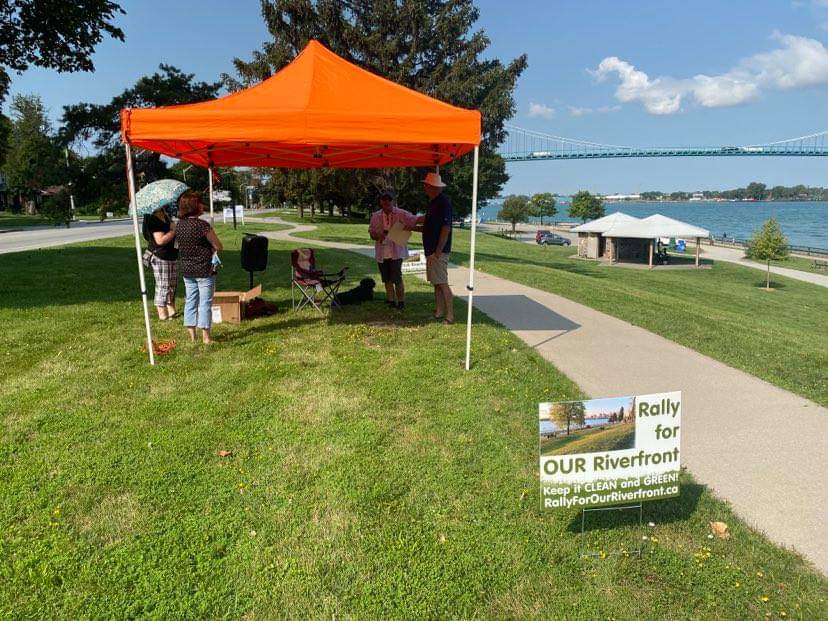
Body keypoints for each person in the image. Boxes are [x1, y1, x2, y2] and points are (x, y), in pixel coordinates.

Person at [175, 190, 223, 344]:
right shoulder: (203, 225)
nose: (203, 205)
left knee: (191, 301)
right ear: (195, 206)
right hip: (203, 269)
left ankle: (192, 336)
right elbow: (218, 246)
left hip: (187, 270)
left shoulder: (179, 225)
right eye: (200, 203)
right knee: (205, 303)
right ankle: (206, 337)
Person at [368, 189, 417, 309]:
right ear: (381, 202)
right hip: (382, 252)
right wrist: (378, 236)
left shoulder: (401, 213)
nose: (387, 205)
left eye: (389, 203)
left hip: (396, 252)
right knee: (386, 278)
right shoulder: (375, 216)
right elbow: (371, 233)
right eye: (384, 203)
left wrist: (406, 228)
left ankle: (401, 302)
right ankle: (390, 300)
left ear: (392, 201)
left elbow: (414, 221)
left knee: (397, 278)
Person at [418, 172, 454, 324]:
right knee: (436, 283)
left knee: (442, 282)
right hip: (431, 251)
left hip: (438, 252)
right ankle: (439, 311)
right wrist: (410, 227)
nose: (424, 187)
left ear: (433, 187)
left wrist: (438, 252)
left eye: (426, 185)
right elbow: (429, 227)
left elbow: (446, 228)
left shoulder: (443, 203)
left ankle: (450, 315)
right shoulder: (433, 203)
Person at [142, 208, 177, 320]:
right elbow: (160, 240)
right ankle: (162, 313)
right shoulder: (153, 219)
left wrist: (172, 225)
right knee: (163, 285)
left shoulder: (165, 215)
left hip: (171, 255)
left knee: (172, 284)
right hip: (160, 256)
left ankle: (171, 308)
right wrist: (173, 231)